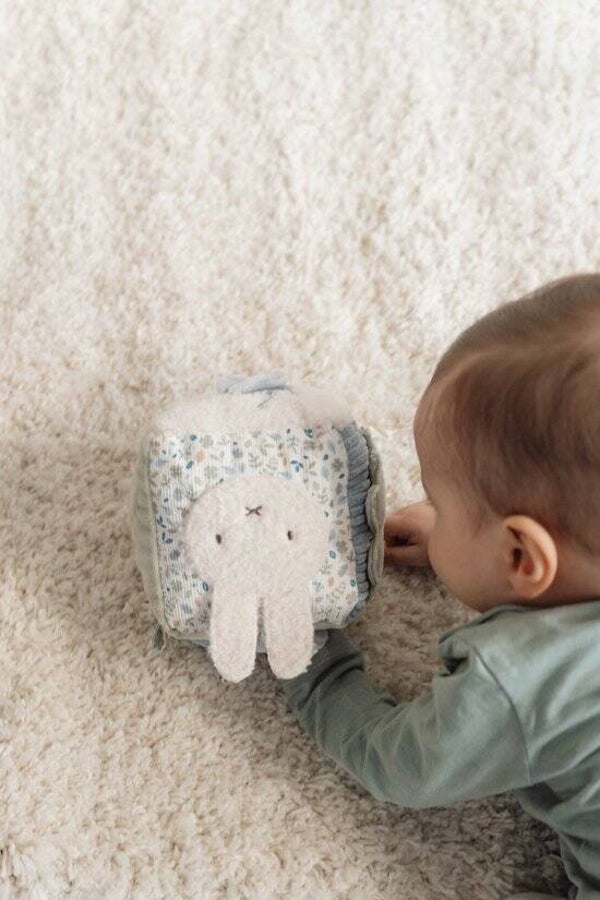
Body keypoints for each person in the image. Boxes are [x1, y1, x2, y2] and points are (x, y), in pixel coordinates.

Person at [277, 274, 600, 900]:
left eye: (441, 503)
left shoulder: (518, 684)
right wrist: (464, 539)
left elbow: (398, 765)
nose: (432, 510)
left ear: (520, 555)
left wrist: (311, 657)